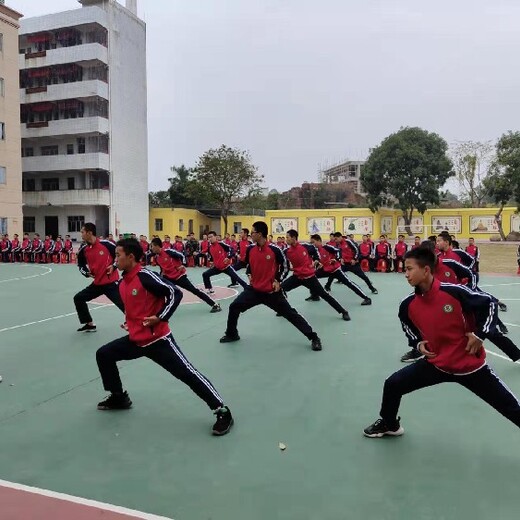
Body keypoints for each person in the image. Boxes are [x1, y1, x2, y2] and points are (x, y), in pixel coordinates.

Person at [363, 246, 520, 438]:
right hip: (438, 365)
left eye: (410, 268)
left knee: (513, 409)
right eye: (405, 269)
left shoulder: (455, 292)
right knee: (393, 384)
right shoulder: (407, 305)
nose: (406, 274)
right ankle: (389, 424)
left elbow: (489, 303)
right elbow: (409, 329)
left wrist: (480, 334)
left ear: (426, 270)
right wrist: (418, 344)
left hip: (471, 367)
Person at [95, 239, 233, 436]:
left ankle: (222, 411)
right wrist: (131, 322)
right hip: (136, 339)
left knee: (187, 373)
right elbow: (138, 305)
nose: (114, 259)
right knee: (104, 354)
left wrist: (160, 317)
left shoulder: (145, 276)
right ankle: (118, 397)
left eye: (118, 255)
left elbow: (174, 292)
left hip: (158, 340)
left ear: (131, 257)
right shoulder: (124, 280)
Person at [219, 221, 323, 351]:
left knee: (290, 314)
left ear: (260, 234)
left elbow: (285, 266)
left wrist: (278, 280)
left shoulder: (275, 250)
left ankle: (314, 337)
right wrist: (249, 273)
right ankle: (232, 334)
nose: (251, 234)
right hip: (254, 290)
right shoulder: (251, 249)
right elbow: (248, 264)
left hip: (271, 292)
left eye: (253, 232)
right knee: (234, 307)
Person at [282, 230, 351, 321]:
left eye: (287, 237)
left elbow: (315, 253)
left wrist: (316, 260)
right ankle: (284, 310)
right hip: (297, 277)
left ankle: (343, 312)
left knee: (325, 295)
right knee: (280, 289)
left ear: (294, 238)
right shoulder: (286, 251)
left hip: (309, 277)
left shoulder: (306, 247)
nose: (286, 239)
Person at [74, 223, 125, 332]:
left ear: (89, 233)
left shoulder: (106, 244)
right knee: (78, 298)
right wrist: (86, 273)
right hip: (97, 284)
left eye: (82, 232)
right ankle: (89, 324)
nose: (81, 235)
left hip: (111, 283)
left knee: (125, 305)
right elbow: (81, 265)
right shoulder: (84, 249)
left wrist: (114, 266)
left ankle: (138, 324)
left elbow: (120, 255)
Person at [150, 238, 221, 313]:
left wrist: (183, 265)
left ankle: (214, 304)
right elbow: (162, 269)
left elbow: (182, 256)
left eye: (152, 246)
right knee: (160, 290)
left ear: (157, 246)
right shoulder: (157, 257)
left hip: (180, 276)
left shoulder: (168, 252)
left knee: (195, 290)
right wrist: (161, 276)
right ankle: (159, 309)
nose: (151, 248)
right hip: (169, 278)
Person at [306, 234, 372, 305]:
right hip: (325, 270)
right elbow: (316, 261)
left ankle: (366, 298)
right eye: (311, 242)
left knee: (349, 283)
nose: (312, 244)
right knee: (311, 277)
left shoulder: (327, 247)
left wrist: (336, 259)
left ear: (319, 241)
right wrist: (318, 265)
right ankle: (315, 296)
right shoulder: (313, 251)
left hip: (335, 269)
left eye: (313, 242)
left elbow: (338, 250)